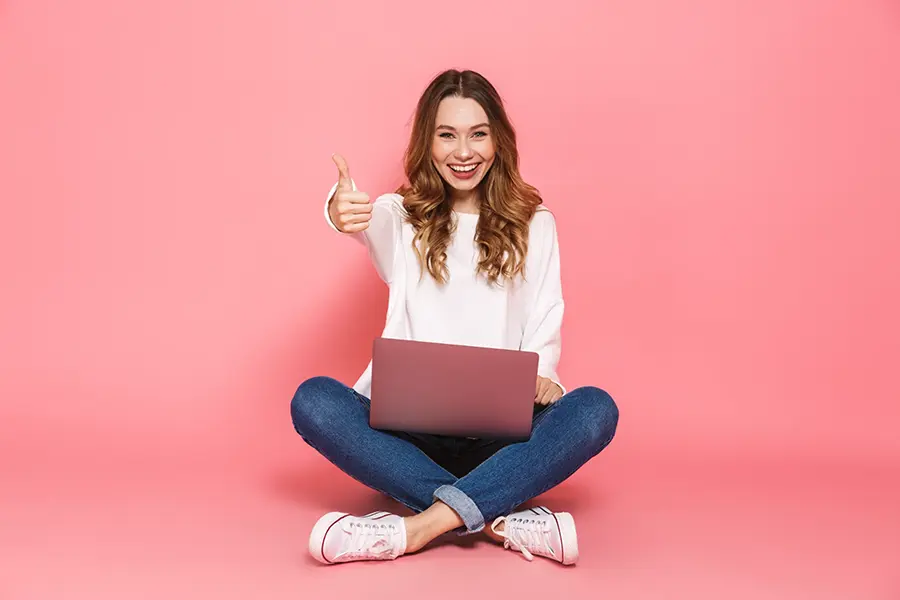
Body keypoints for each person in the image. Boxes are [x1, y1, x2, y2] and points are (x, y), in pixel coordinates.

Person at [291, 69, 619, 566]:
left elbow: (547, 313)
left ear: (498, 140)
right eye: (447, 135)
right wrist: (338, 211)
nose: (463, 152)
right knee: (314, 401)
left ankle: (417, 528)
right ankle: (498, 515)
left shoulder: (536, 223)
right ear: (428, 142)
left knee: (594, 409)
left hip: (502, 438)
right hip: (406, 438)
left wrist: (545, 375)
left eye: (477, 134)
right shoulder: (399, 216)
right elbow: (358, 220)